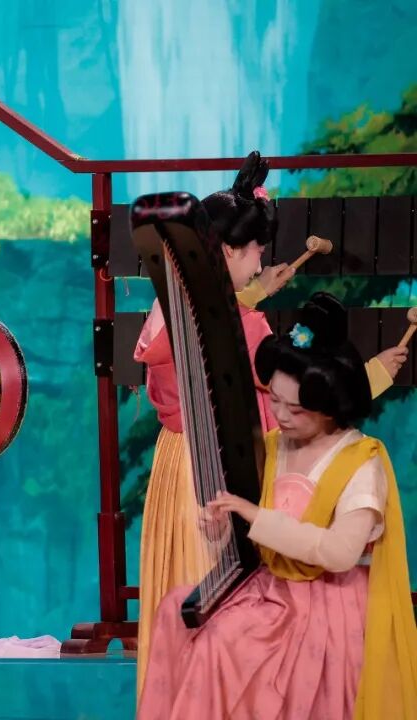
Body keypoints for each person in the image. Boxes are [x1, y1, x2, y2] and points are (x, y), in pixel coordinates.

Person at [133, 151, 407, 697]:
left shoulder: (172, 307)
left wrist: (253, 294)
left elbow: (214, 324)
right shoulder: (245, 327)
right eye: (256, 250)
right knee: (216, 606)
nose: (262, 262)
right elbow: (300, 387)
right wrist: (375, 373)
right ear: (227, 250)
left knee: (181, 594)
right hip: (212, 465)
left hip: (176, 460)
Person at [138, 292, 417, 719]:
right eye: (275, 401)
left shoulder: (361, 462)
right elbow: (255, 537)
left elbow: (340, 553)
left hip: (326, 604)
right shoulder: (273, 446)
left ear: (331, 406)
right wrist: (221, 527)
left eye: (296, 409)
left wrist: (255, 516)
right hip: (272, 591)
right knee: (179, 615)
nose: (282, 416)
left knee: (223, 643)